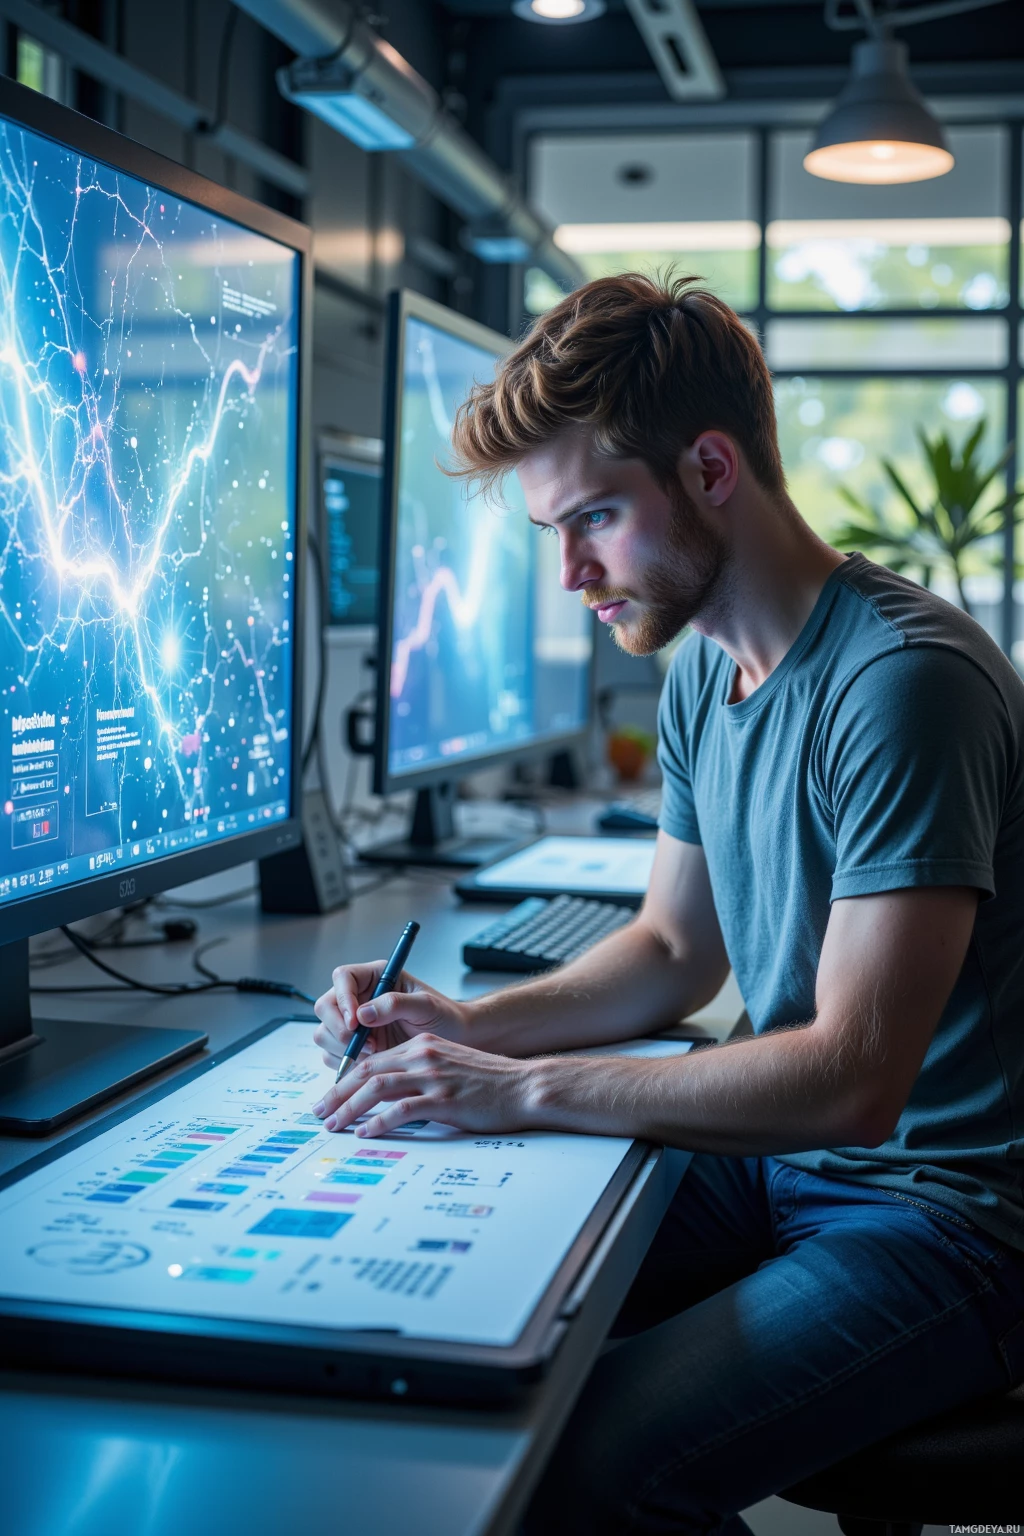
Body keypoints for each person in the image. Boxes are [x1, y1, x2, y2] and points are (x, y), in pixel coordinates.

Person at [312, 273, 1024, 1534]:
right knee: (446, 1302)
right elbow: (667, 953)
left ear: (709, 467)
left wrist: (517, 1087)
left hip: (949, 1212)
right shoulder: (705, 669)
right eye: (556, 534)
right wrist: (464, 1026)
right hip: (788, 1167)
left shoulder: (904, 683)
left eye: (594, 517)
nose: (577, 571)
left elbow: (852, 1086)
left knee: (584, 1467)